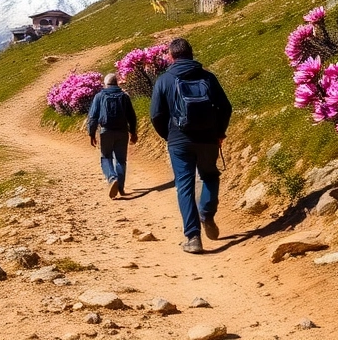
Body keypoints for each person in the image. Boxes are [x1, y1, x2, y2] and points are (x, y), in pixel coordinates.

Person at [149, 38, 233, 254]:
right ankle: (207, 213)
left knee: (184, 185)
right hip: (208, 138)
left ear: (171, 56)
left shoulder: (164, 80)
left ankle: (193, 237)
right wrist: (219, 132)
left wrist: (169, 136)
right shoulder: (208, 77)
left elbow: (156, 115)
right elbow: (225, 107)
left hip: (179, 140)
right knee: (210, 175)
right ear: (191, 53)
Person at [86, 72, 137, 199]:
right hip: (122, 132)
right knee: (121, 160)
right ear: (116, 83)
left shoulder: (99, 96)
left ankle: (112, 178)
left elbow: (93, 117)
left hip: (106, 131)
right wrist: (133, 132)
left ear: (105, 84)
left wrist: (91, 133)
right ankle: (120, 187)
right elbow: (131, 116)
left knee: (106, 157)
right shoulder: (124, 96)